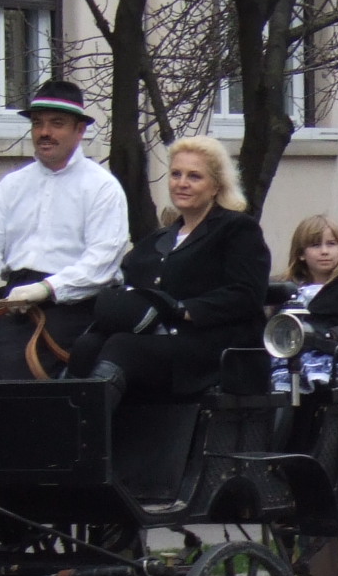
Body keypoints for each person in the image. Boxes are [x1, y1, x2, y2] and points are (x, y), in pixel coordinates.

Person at [64, 134, 269, 401]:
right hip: (157, 339)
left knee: (122, 347)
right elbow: (128, 282)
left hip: (212, 347)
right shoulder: (156, 240)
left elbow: (247, 295)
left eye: (194, 176)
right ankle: (68, 423)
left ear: (216, 186)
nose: (182, 183)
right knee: (87, 345)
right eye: (176, 174)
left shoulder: (237, 229)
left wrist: (182, 309)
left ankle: (88, 423)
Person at [0, 77, 131, 378]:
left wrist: (47, 289)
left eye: (56, 123)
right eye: (38, 123)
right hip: (14, 298)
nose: (44, 132)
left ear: (80, 130)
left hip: (76, 305)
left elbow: (101, 262)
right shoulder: (13, 185)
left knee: (10, 364)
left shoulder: (102, 187)